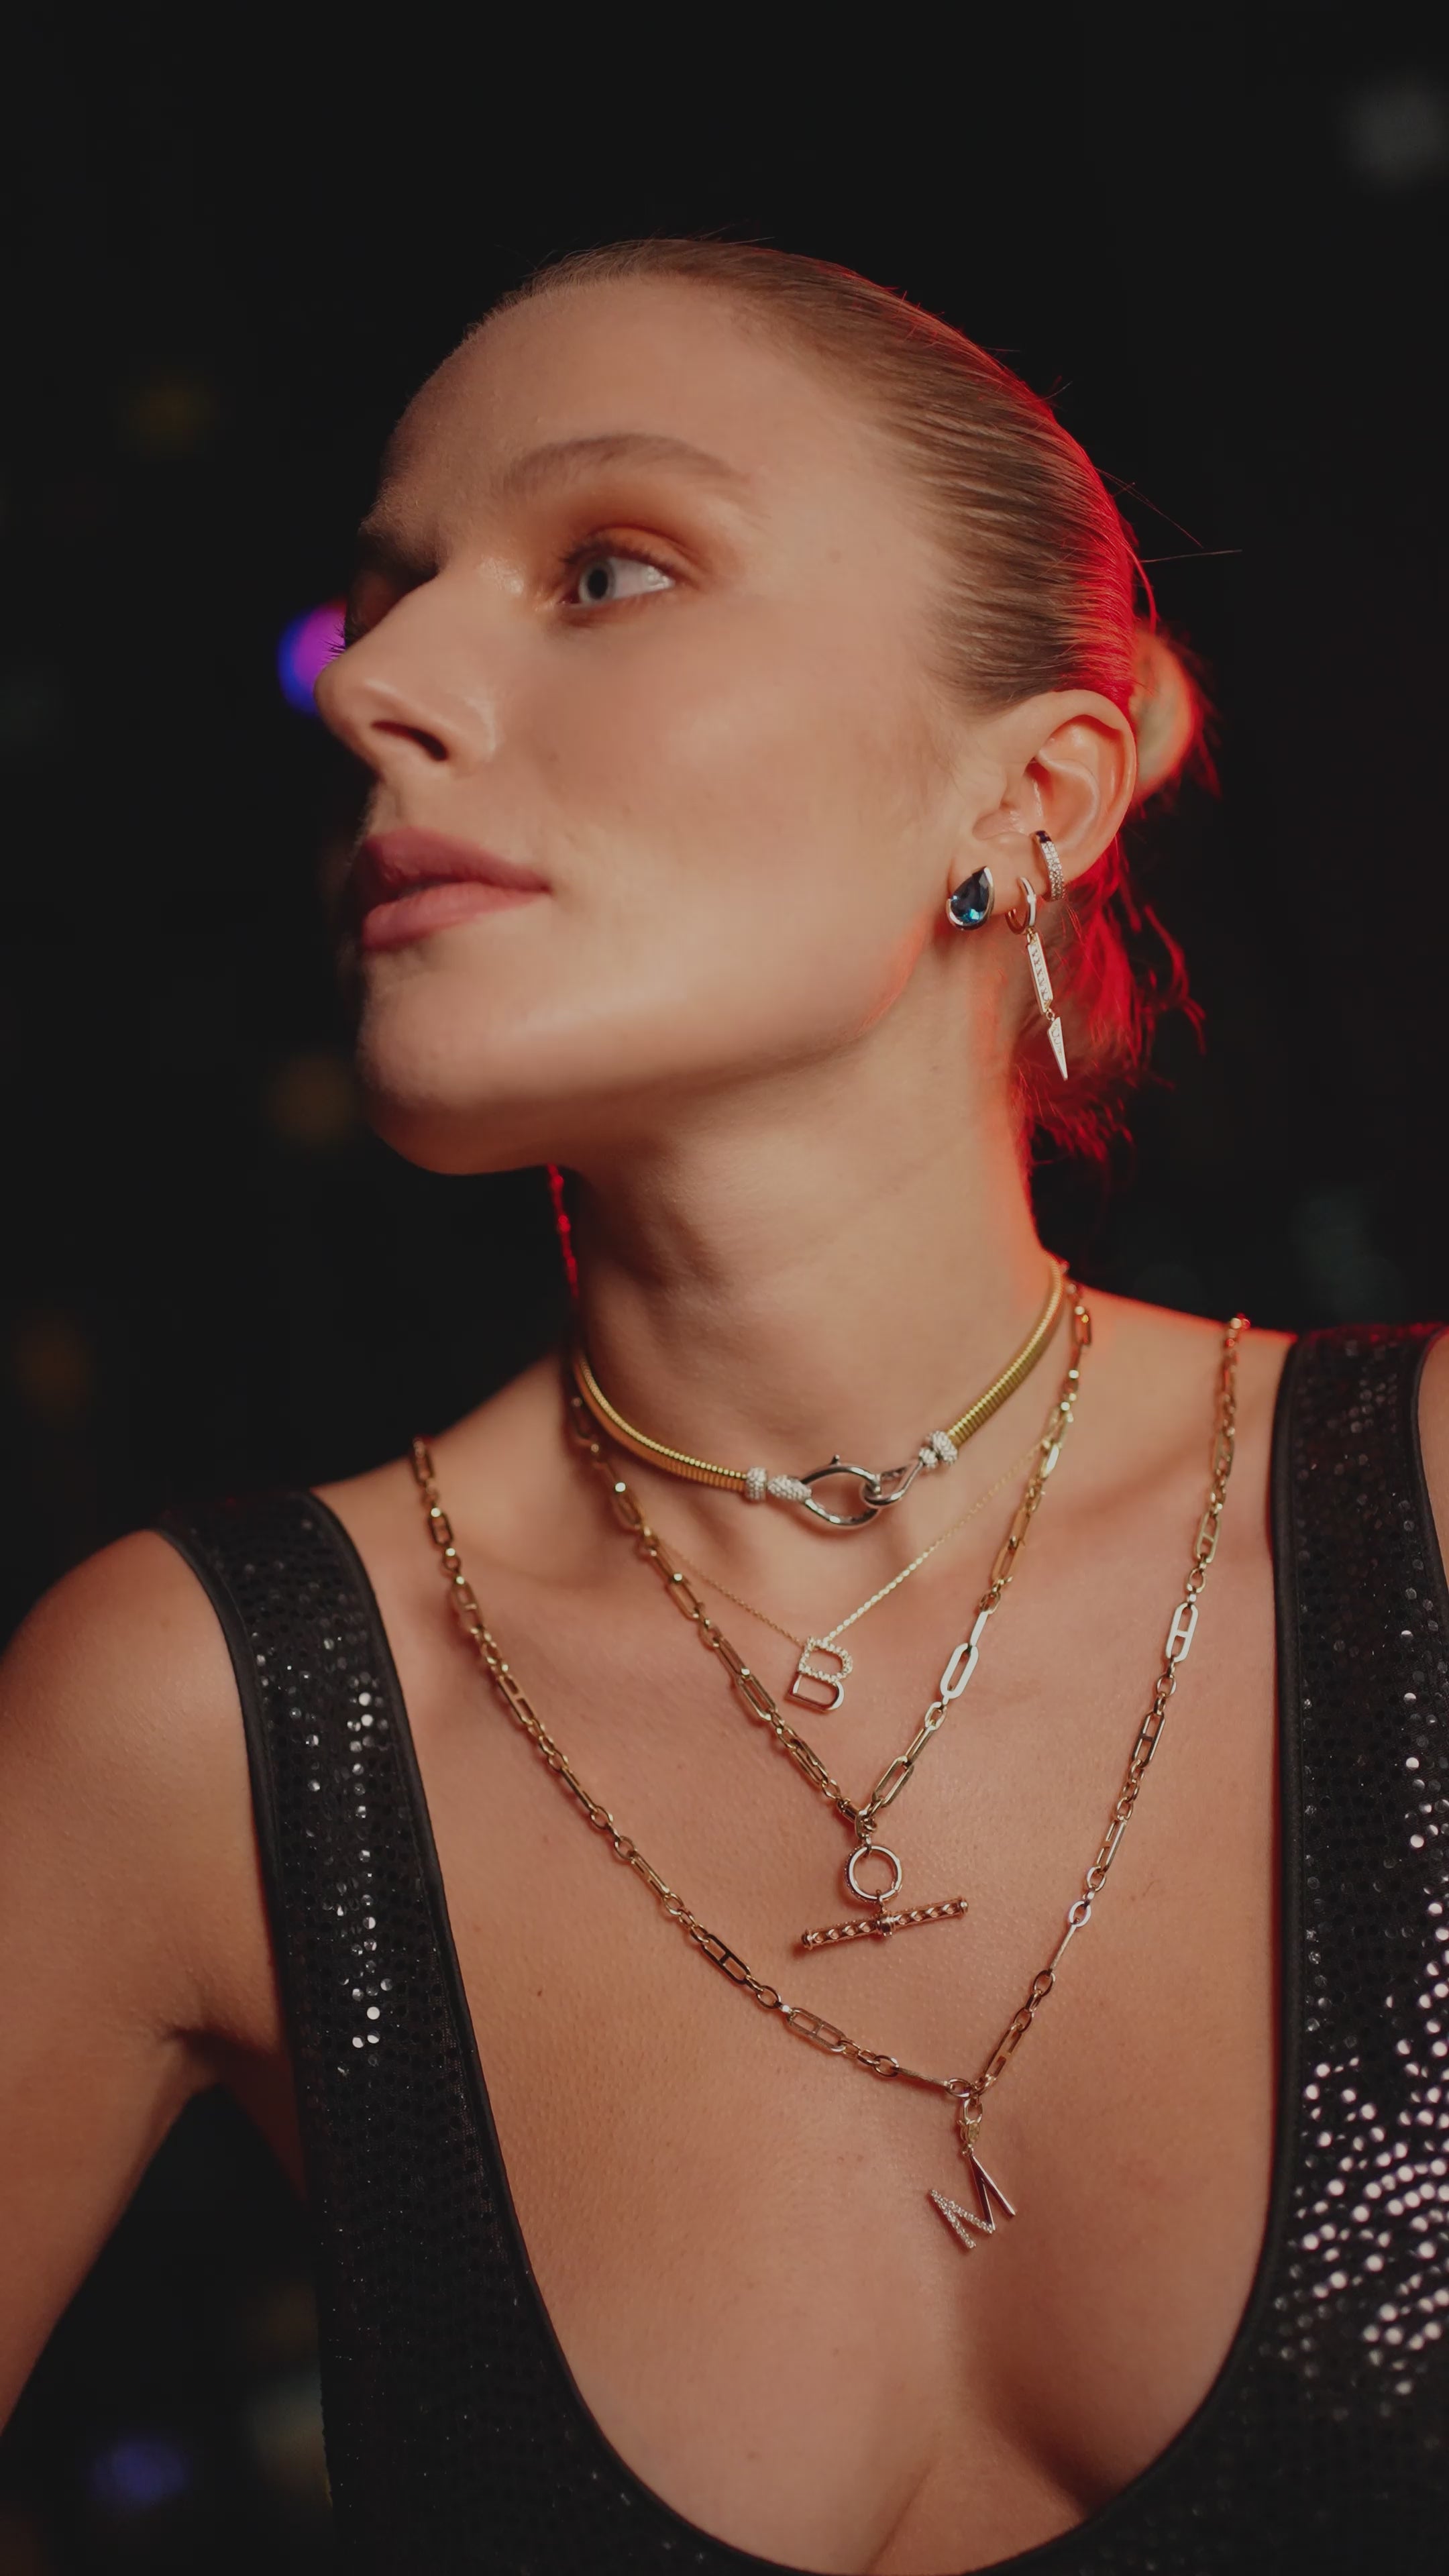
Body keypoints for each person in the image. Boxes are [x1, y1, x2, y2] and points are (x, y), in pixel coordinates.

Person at [3, 239, 1446, 2576]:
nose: (370, 682)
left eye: (606, 569)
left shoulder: (1422, 1530)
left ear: (1033, 795)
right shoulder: (203, 1722)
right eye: (376, 600)